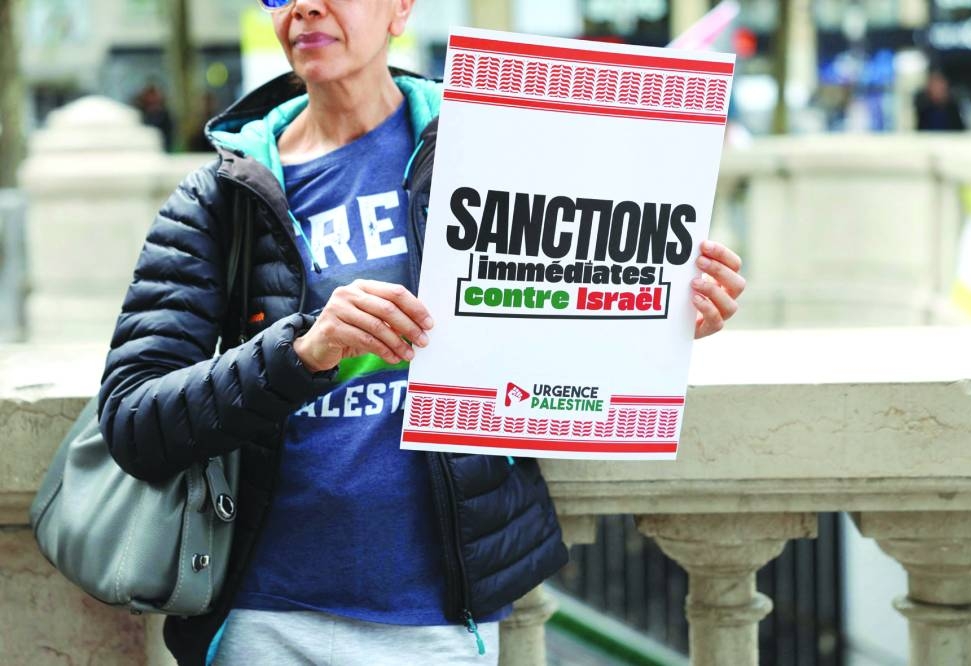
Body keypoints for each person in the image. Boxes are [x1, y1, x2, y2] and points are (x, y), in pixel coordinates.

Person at [97, 1, 747, 665]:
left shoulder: (500, 144)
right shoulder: (221, 197)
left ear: (402, 8)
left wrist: (658, 312)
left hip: (436, 620)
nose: (305, 6)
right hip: (261, 619)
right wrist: (299, 352)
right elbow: (132, 420)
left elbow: (558, 330)